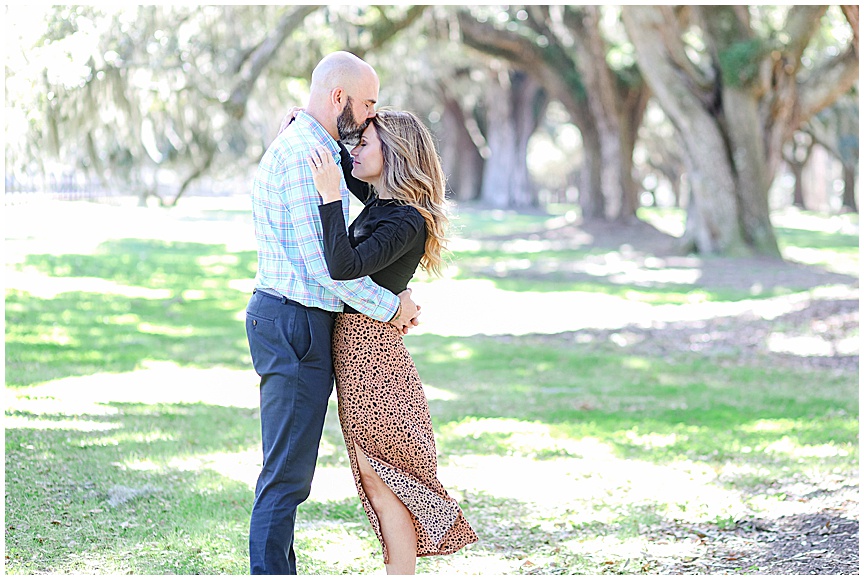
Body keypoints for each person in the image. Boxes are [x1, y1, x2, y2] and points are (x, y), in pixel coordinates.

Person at [245, 51, 420, 575]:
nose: (370, 116)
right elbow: (327, 267)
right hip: (295, 320)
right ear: (338, 97)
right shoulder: (305, 156)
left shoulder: (319, 150)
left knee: (290, 474)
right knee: (287, 476)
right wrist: (393, 308)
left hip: (298, 321)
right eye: (367, 104)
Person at [306, 109, 478, 574]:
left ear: (395, 153)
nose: (355, 151)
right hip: (361, 352)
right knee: (378, 480)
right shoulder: (382, 203)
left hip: (372, 357)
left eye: (366, 143)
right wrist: (309, 123)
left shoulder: (405, 219)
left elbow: (343, 266)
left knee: (384, 482)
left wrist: (327, 198)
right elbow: (344, 163)